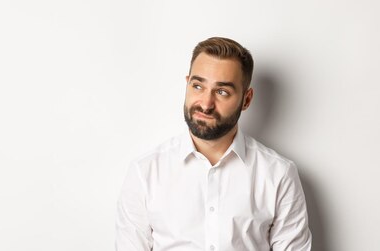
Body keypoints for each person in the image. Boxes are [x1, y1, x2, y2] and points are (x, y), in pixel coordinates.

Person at [115, 37, 312, 251]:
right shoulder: (145, 172)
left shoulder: (278, 174)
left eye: (222, 92)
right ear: (187, 84)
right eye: (198, 86)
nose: (206, 104)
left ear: (246, 100)